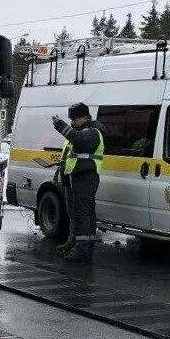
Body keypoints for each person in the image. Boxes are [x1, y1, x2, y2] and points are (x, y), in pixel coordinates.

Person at [52, 102, 105, 262]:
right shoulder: (81, 132)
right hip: (74, 178)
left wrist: (60, 125)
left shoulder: (92, 132)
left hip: (86, 178)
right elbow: (71, 156)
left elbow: (78, 141)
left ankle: (83, 250)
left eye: (74, 119)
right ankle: (75, 242)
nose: (72, 123)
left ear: (85, 117)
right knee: (75, 212)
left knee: (83, 214)